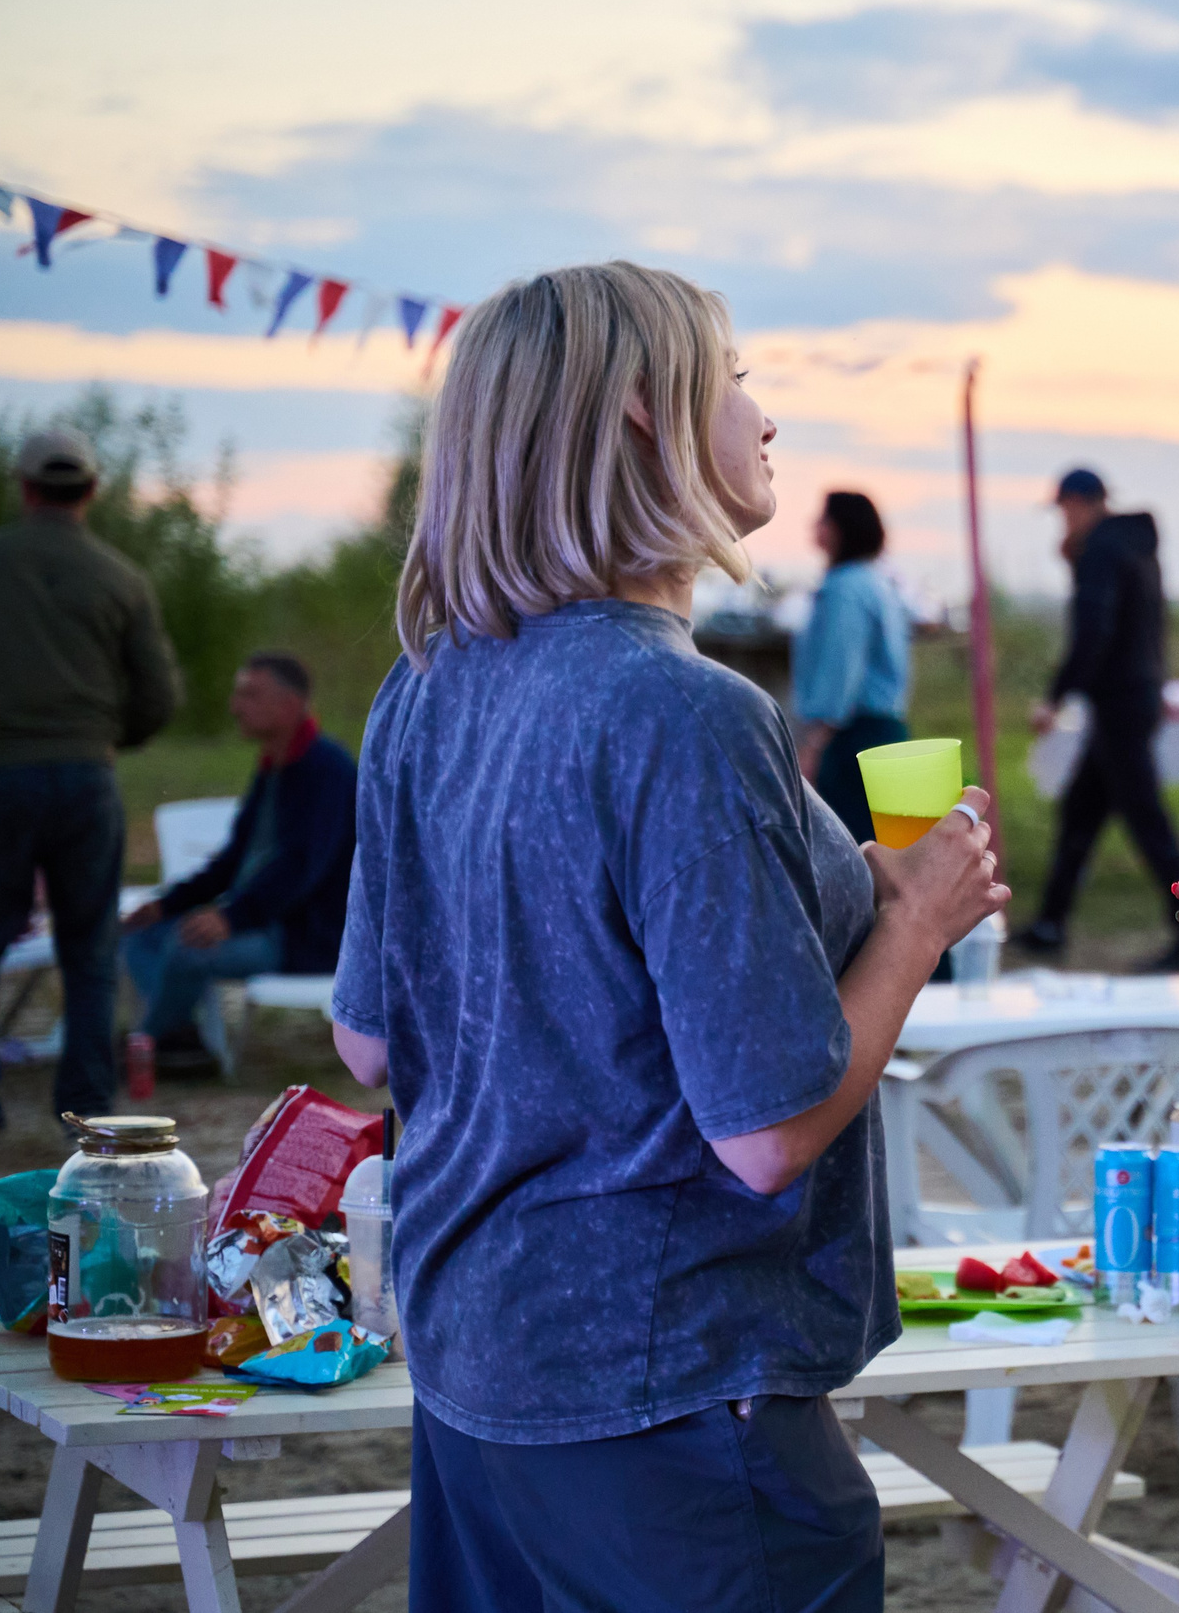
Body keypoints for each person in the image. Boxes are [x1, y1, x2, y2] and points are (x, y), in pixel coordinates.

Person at [328, 261, 1007, 1612]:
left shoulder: (430, 686)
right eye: (737, 376)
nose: (766, 417)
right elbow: (765, 1131)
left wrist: (829, 897)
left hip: (480, 1365)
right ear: (644, 416)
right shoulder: (684, 712)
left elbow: (368, 1035)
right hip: (675, 1394)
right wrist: (917, 921)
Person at [0, 427, 181, 1138]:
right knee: (89, 950)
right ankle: (89, 1114)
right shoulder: (121, 577)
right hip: (85, 779)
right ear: (92, 490)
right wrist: (99, 740)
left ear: (24, 485)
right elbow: (157, 695)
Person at [120, 652, 356, 1076]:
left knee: (188, 948)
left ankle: (144, 1044)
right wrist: (167, 904)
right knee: (141, 935)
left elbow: (301, 869)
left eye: (249, 694)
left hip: (305, 935)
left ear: (288, 706)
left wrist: (233, 917)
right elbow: (232, 862)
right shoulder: (274, 766)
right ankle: (179, 1041)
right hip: (262, 918)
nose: (234, 706)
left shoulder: (327, 771)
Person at [1014, 467, 1179, 970]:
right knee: (1081, 812)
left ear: (1080, 503)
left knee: (1147, 820)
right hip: (1132, 695)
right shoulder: (1134, 546)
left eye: (1063, 508)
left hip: (1120, 701)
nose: (1062, 519)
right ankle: (1051, 924)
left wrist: (1056, 697)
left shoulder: (1100, 550)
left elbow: (1093, 630)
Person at [792, 490, 914, 845]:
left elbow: (840, 669)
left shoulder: (845, 588)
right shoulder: (876, 581)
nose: (816, 527)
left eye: (823, 519)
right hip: (885, 731)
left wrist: (814, 743)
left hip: (853, 740)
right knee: (883, 848)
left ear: (841, 528)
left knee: (852, 851)